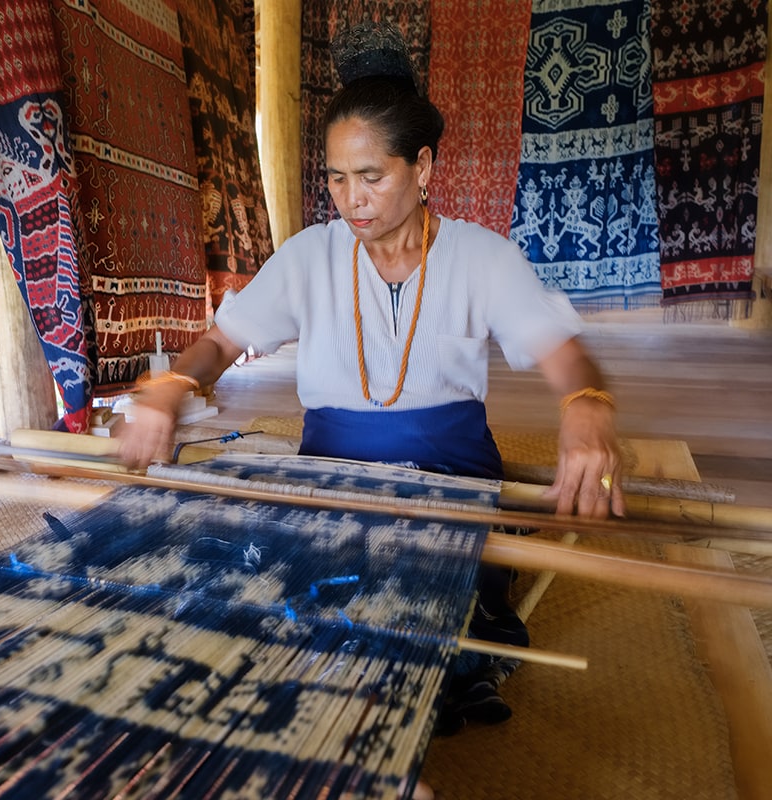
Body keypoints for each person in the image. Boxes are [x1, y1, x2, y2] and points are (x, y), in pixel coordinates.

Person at [118, 19, 624, 744]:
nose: (350, 199)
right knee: (265, 603)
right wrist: (172, 388)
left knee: (410, 618)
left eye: (371, 176)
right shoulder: (310, 256)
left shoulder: (483, 257)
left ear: (422, 168)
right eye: (334, 178)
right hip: (331, 472)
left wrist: (585, 406)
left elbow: (561, 352)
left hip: (448, 479)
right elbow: (222, 340)